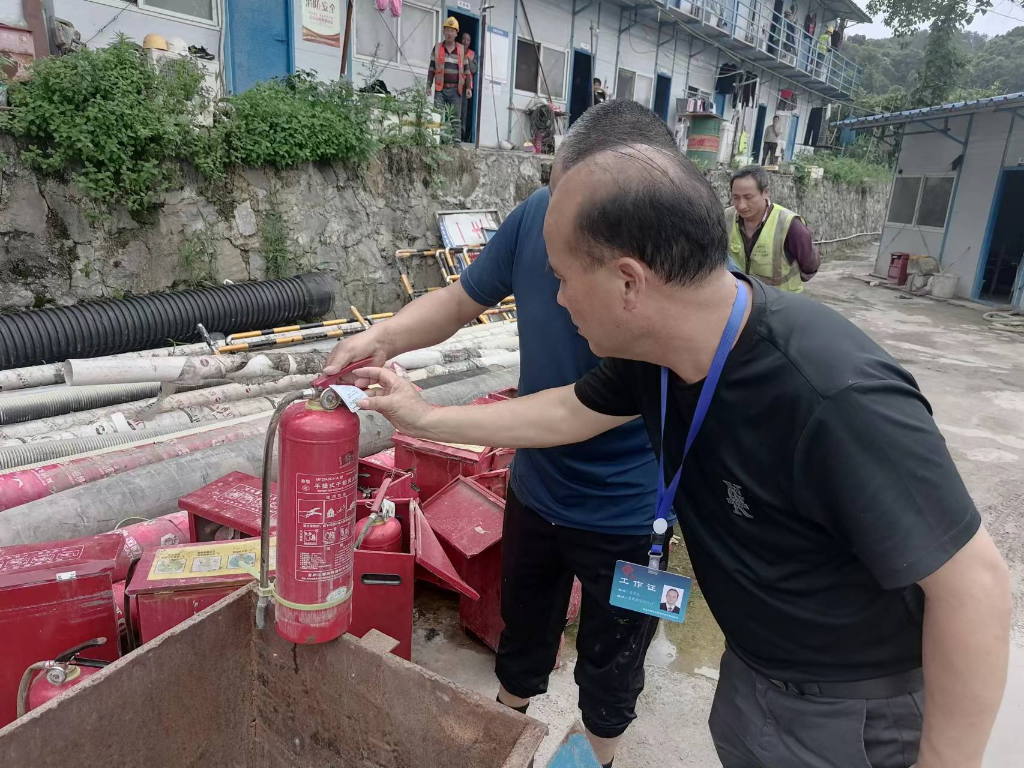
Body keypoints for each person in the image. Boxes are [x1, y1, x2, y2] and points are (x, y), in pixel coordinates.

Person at [344, 114, 1011, 768]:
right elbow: (564, 413)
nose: (555, 299)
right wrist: (422, 415)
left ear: (630, 280)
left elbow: (975, 585)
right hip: (753, 674)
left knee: (613, 667)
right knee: (531, 635)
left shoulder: (830, 390)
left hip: (843, 705)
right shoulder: (656, 352)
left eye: (563, 279)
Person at [322, 100, 684, 768]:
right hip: (538, 490)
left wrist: (425, 416)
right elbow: (461, 302)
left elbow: (570, 412)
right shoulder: (536, 217)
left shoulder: (657, 276)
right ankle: (500, 736)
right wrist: (381, 337)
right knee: (522, 634)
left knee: (613, 662)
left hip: (630, 514)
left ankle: (594, 755)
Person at [726, 165, 818, 291]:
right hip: (741, 300)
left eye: (748, 197)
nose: (741, 205)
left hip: (781, 304)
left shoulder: (790, 225)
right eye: (736, 197)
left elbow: (810, 265)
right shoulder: (726, 218)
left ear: (765, 192)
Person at [427, 17, 467, 137]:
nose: (449, 33)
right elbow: (431, 68)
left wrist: (468, 88)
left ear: (456, 33)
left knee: (455, 119)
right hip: (440, 89)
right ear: (444, 31)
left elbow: (467, 70)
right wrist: (428, 85)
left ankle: (456, 145)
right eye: (447, 30)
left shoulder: (461, 49)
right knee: (436, 116)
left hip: (456, 90)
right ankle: (434, 140)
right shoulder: (437, 48)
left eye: (452, 30)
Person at [459, 31, 477, 143]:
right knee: (454, 111)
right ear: (461, 40)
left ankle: (462, 136)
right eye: (464, 39)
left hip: (467, 87)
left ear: (470, 42)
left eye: (468, 40)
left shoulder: (472, 54)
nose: (466, 41)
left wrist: (467, 59)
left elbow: (474, 69)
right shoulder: (456, 50)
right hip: (456, 85)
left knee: (463, 113)